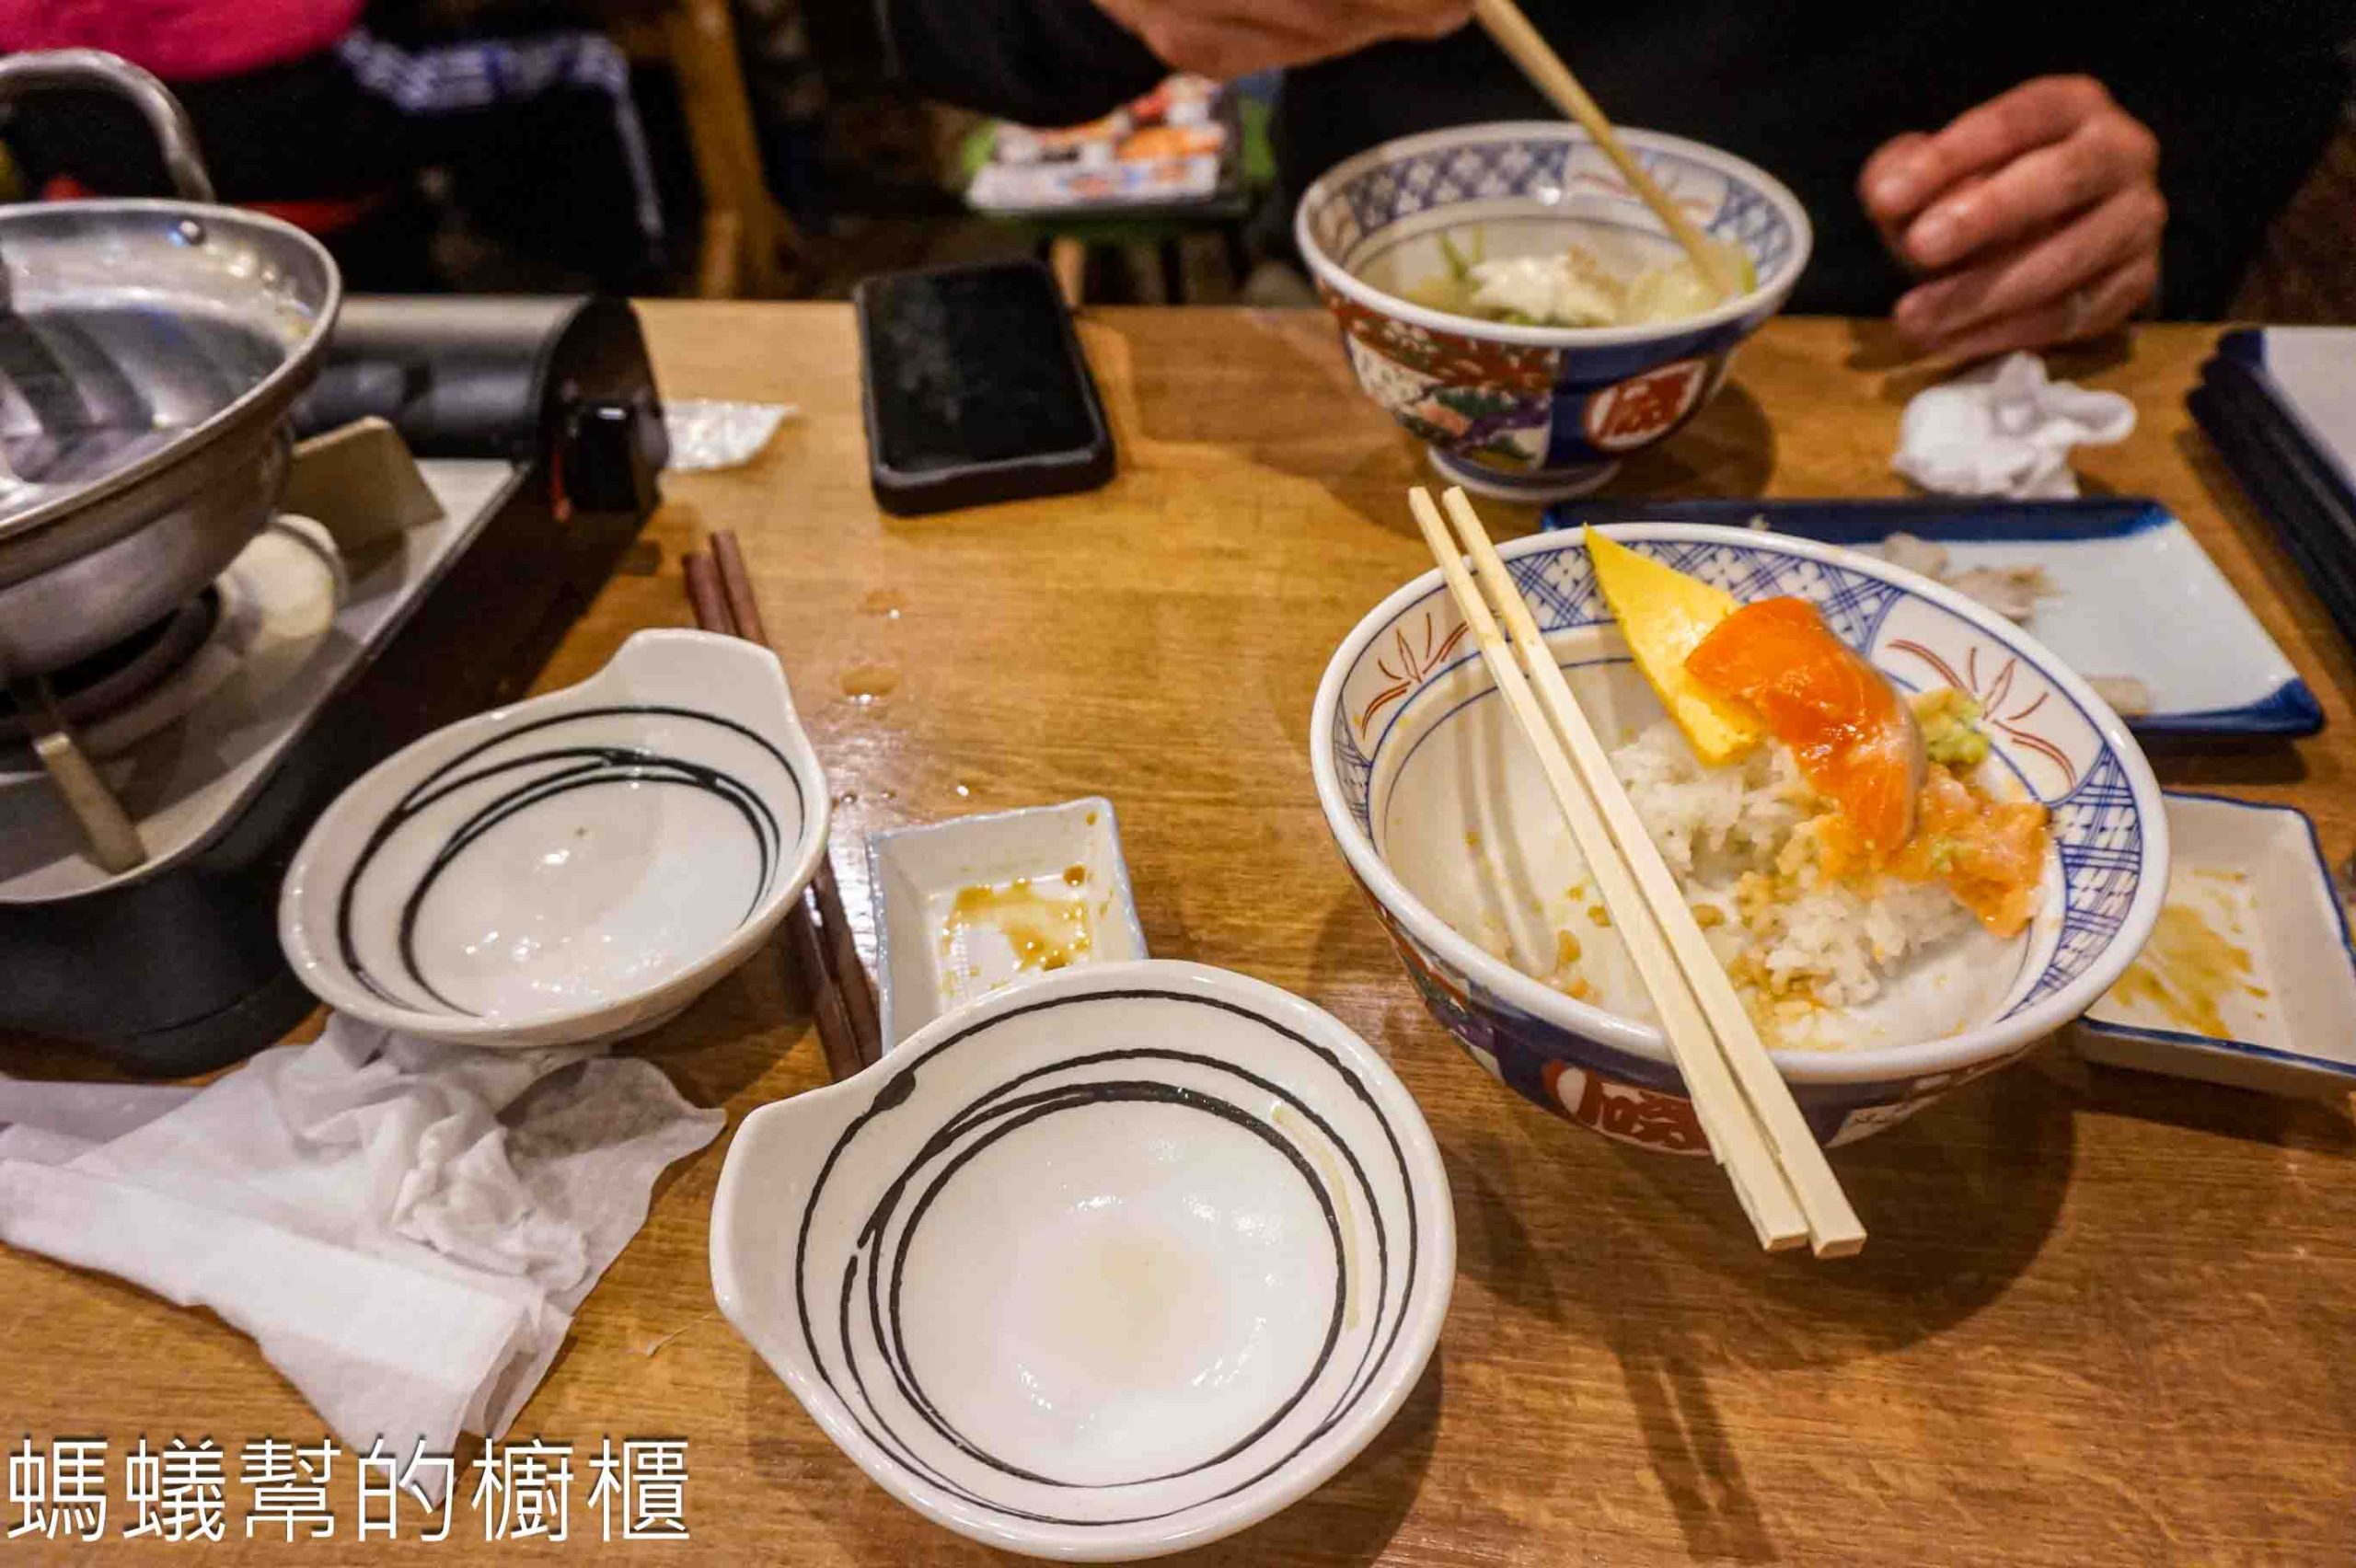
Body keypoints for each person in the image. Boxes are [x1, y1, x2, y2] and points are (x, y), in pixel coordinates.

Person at [872, 0, 2350, 358]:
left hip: (1920, 356)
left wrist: (2169, 190)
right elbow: (935, 27)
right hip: (1364, 342)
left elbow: (2270, 53)